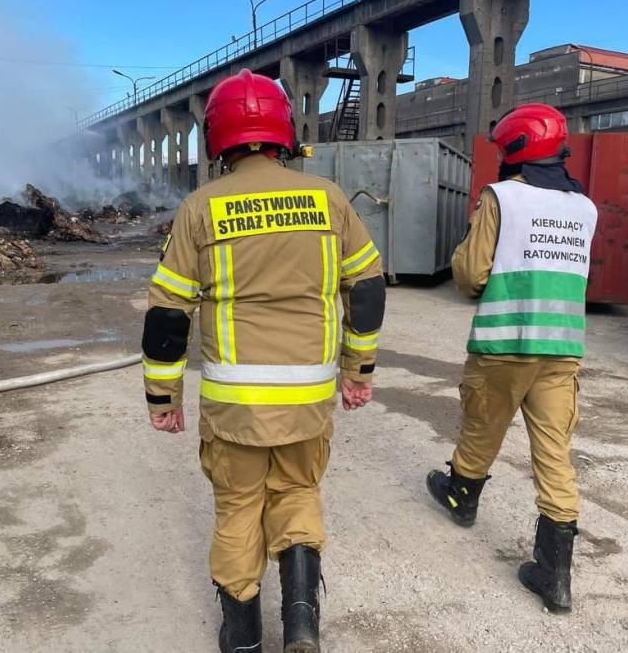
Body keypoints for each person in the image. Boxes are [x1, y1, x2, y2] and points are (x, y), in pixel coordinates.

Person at [141, 68, 386, 652]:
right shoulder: (327, 198)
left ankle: (243, 638)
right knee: (298, 493)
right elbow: (368, 290)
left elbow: (168, 314)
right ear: (284, 132)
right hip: (307, 398)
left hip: (236, 405)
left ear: (217, 137)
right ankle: (301, 625)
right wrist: (357, 371)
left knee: (237, 507)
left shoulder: (200, 207)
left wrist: (163, 398)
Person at [426, 103, 598, 613]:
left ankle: (461, 497)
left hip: (504, 344)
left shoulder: (501, 196)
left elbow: (470, 275)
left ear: (515, 150)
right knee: (555, 454)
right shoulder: (585, 207)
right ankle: (555, 576)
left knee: (482, 427)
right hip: (562, 349)